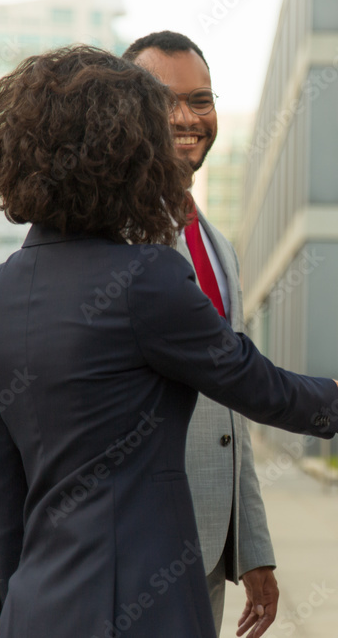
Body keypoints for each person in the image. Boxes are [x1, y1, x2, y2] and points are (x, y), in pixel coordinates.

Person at [0, 45, 338, 638]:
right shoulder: (145, 278)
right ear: (130, 153)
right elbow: (248, 379)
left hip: (39, 606)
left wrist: (21, 606)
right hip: (147, 604)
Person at [122, 31, 278, 638]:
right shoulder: (110, 238)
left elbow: (229, 405)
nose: (188, 118)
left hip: (207, 551)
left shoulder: (217, 246)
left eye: (202, 100)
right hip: (132, 550)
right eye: (166, 101)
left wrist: (254, 549)